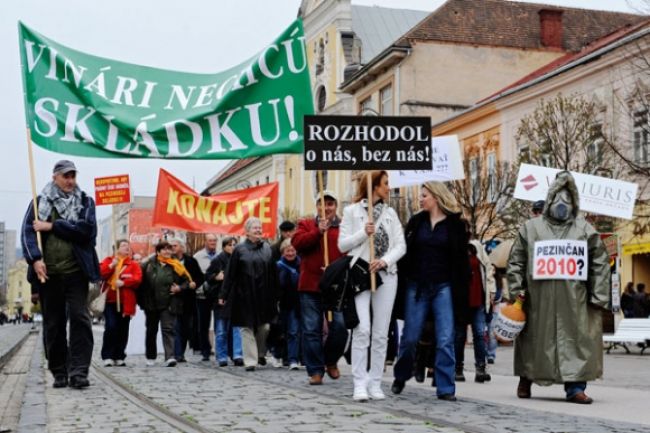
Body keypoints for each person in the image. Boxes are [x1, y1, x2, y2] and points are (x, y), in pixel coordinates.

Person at [507, 171, 610, 404]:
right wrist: (516, 290)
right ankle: (526, 377)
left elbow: (600, 262)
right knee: (533, 339)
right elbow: (516, 260)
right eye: (558, 198)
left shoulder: (584, 230)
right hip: (537, 298)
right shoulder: (531, 228)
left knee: (576, 340)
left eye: (568, 199)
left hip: (575, 299)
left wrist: (598, 295)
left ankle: (575, 387)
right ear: (550, 200)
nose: (563, 204)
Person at [21, 160, 99, 389]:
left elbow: (86, 232)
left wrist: (53, 226)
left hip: (76, 273)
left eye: (73, 176)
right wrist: (35, 259)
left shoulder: (85, 202)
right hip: (49, 275)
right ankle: (59, 371)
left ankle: (79, 371)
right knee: (53, 325)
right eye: (66, 176)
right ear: (55, 177)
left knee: (80, 318)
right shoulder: (39, 204)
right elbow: (27, 232)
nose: (70, 181)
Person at [391, 181, 470, 401]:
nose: (420, 199)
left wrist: (462, 292)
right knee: (410, 337)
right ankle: (402, 374)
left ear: (435, 197)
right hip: (417, 286)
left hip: (444, 286)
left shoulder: (455, 226)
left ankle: (446, 387)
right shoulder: (416, 222)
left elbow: (462, 262)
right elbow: (405, 253)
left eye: (424, 195)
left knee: (445, 337)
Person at [338, 170, 406, 401]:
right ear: (374, 185)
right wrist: (362, 233)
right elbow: (342, 245)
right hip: (360, 274)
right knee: (362, 329)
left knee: (380, 333)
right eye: (385, 183)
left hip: (386, 275)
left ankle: (375, 381)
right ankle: (359, 382)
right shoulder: (351, 211)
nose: (389, 187)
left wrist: (385, 260)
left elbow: (400, 245)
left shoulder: (390, 213)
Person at [292, 190, 347, 386]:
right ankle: (315, 370)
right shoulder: (306, 224)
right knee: (311, 330)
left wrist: (334, 271)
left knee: (340, 328)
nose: (326, 208)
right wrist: (318, 232)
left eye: (330, 204)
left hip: (334, 287)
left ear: (336, 207)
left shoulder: (344, 227)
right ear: (317, 206)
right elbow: (298, 243)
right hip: (310, 286)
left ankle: (330, 359)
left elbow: (349, 252)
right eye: (323, 204)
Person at [220, 217, 279, 371]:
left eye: (260, 227)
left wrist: (276, 294)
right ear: (247, 232)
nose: (258, 230)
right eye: (255, 228)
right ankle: (251, 361)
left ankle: (259, 353)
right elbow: (230, 274)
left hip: (263, 297)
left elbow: (273, 274)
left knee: (264, 327)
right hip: (244, 296)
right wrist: (223, 295)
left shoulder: (267, 249)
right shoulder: (239, 250)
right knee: (246, 328)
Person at [139, 241, 191, 367]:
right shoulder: (148, 264)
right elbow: (140, 283)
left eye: (169, 249)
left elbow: (187, 281)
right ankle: (151, 356)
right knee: (152, 330)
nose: (167, 251)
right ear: (158, 252)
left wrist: (179, 288)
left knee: (168, 329)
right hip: (151, 303)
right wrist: (142, 301)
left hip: (169, 302)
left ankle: (170, 356)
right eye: (164, 249)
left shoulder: (176, 266)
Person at [454, 235, 496, 383]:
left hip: (477, 298)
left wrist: (491, 291)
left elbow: (488, 269)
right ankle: (458, 368)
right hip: (460, 301)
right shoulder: (453, 248)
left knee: (479, 334)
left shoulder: (477, 247)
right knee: (459, 337)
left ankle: (481, 368)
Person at [98, 239, 142, 367]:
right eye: (123, 246)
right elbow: (100, 274)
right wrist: (112, 266)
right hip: (110, 301)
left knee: (123, 329)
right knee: (111, 326)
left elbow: (137, 279)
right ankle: (107, 355)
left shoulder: (133, 264)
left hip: (126, 302)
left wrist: (124, 283)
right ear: (116, 248)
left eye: (128, 246)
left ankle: (119, 355)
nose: (127, 248)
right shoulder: (109, 260)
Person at [207, 237, 244, 366]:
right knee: (221, 329)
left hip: (236, 298)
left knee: (237, 330)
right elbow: (208, 276)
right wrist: (216, 277)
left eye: (234, 244)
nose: (232, 247)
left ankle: (237, 354)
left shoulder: (240, 259)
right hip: (221, 298)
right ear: (224, 247)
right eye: (230, 245)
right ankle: (221, 356)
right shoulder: (218, 260)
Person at [169, 238, 204, 362]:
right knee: (175, 327)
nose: (172, 248)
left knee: (185, 328)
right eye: (171, 246)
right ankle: (176, 354)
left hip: (188, 299)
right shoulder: (168, 261)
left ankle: (180, 353)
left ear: (182, 248)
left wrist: (195, 284)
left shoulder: (190, 261)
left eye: (175, 245)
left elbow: (200, 277)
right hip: (172, 299)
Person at [275, 239, 302, 370]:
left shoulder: (301, 264)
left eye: (293, 250)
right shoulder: (278, 266)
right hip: (282, 303)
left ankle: (293, 359)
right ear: (282, 252)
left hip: (297, 303)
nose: (291, 253)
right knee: (280, 331)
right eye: (288, 251)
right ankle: (278, 355)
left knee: (294, 332)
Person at [194, 234, 218, 361]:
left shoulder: (220, 256)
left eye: (214, 240)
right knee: (203, 323)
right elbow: (194, 275)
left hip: (217, 294)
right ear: (205, 242)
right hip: (202, 294)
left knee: (220, 323)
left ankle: (219, 349)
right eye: (210, 240)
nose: (213, 242)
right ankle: (205, 350)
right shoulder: (198, 256)